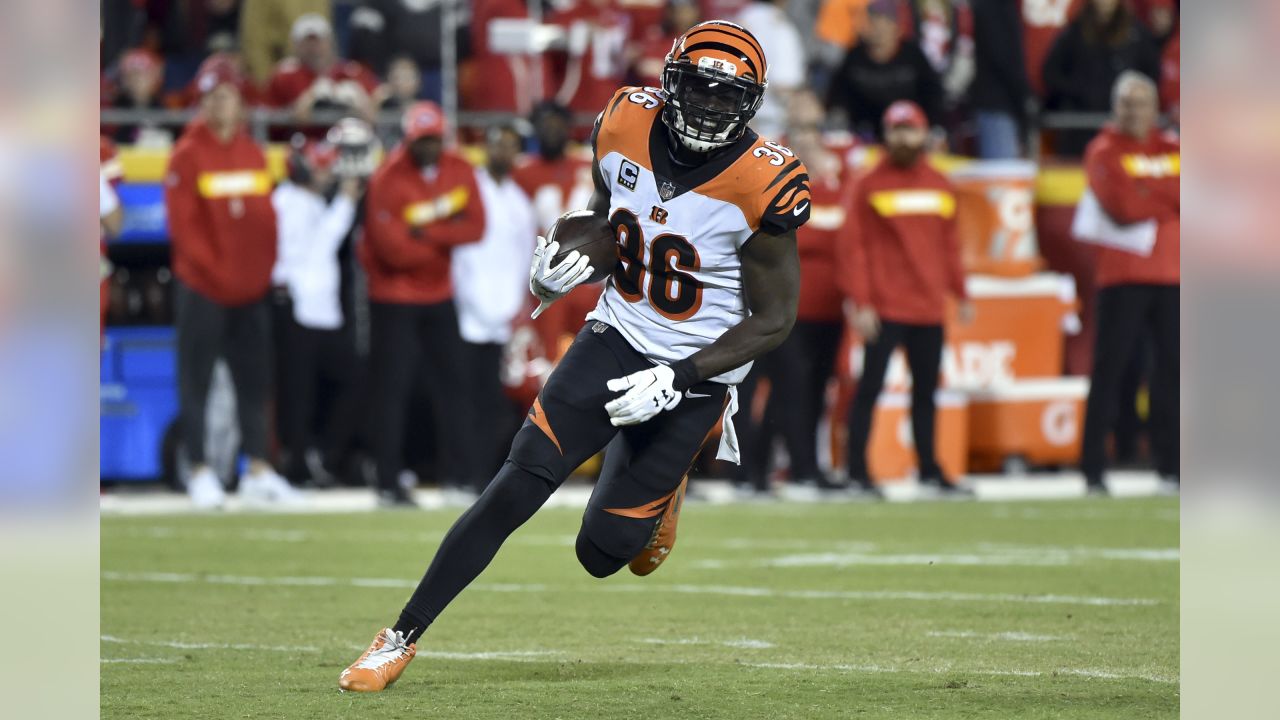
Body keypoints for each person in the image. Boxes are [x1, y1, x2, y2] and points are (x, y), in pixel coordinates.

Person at [338, 20, 809, 691]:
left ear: (751, 102)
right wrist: (566, 263)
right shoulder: (622, 122)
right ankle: (399, 636)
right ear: (670, 83)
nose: (706, 107)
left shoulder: (765, 181)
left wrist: (678, 377)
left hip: (695, 372)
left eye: (722, 96)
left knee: (604, 554)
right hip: (615, 336)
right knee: (518, 482)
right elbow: (608, 223)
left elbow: (776, 318)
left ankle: (671, 472)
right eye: (697, 89)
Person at [163, 55, 300, 509]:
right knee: (196, 381)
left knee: (255, 382)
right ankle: (200, 470)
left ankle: (258, 468)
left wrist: (257, 275)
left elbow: (265, 223)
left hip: (249, 292)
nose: (224, 104)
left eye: (230, 96)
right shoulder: (187, 154)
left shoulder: (252, 151)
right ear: (203, 102)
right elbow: (186, 233)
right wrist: (223, 277)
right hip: (204, 290)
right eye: (215, 96)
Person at [837, 100, 972, 497]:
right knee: (870, 391)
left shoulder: (940, 183)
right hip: (885, 307)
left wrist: (960, 291)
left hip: (929, 306)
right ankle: (857, 472)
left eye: (908, 129)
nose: (902, 138)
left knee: (927, 393)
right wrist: (861, 303)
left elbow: (950, 244)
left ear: (923, 132)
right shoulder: (867, 183)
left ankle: (929, 469)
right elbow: (853, 248)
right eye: (895, 130)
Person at [359, 101, 486, 507]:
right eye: (421, 140)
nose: (429, 148)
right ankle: (387, 482)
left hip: (439, 294)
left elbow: (477, 226)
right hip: (393, 297)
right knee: (391, 391)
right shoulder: (386, 178)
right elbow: (393, 251)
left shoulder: (459, 168)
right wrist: (443, 235)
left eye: (433, 139)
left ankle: (460, 478)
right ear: (409, 140)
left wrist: (424, 234)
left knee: (456, 387)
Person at [1077, 71, 1178, 494]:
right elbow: (1122, 207)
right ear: (1114, 107)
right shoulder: (1102, 150)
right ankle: (1094, 467)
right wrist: (1168, 199)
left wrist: (1146, 192)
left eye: (1142, 102)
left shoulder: (1174, 147)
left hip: (1173, 274)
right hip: (1122, 277)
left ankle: (1171, 464)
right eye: (1127, 103)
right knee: (1111, 371)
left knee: (1172, 374)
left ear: (1156, 107)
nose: (1135, 111)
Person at [270, 134, 363, 485]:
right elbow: (317, 249)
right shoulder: (288, 201)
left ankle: (321, 454)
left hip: (319, 312)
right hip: (297, 309)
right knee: (298, 395)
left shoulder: (308, 201)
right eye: (320, 166)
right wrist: (345, 202)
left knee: (347, 381)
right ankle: (296, 466)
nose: (326, 173)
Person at [451, 124, 539, 480]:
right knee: (460, 399)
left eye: (511, 146)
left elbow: (523, 260)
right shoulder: (467, 190)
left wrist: (517, 307)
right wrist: (465, 299)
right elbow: (459, 251)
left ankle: (479, 475)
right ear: (486, 147)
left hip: (502, 318)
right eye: (498, 143)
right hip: (465, 312)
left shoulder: (519, 202)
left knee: (492, 401)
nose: (503, 152)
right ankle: (457, 473)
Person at [1041, 0, 1160, 155]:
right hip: (1079, 126)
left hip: (1126, 130)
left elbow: (1152, 73)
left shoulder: (1136, 33)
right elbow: (1051, 73)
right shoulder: (1075, 31)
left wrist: (1133, 99)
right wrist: (1080, 92)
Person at [826, 0, 944, 142]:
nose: (877, 28)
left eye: (884, 22)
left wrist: (932, 128)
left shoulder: (913, 55)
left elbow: (933, 95)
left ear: (896, 27)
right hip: (864, 136)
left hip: (908, 136)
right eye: (872, 22)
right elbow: (837, 96)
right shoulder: (854, 57)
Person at [265, 14, 379, 127]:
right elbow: (275, 118)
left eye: (319, 42)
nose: (314, 49)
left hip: (350, 137)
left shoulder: (353, 71)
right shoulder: (285, 75)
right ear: (295, 46)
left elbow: (378, 107)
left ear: (331, 42)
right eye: (307, 43)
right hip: (301, 140)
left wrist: (361, 99)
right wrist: (312, 96)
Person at [970, 0, 1033, 159]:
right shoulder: (993, 6)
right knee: (1002, 177)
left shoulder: (1006, 5)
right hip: (997, 105)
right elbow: (1004, 57)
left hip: (1002, 104)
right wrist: (1024, 95)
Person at [735, 0, 807, 139]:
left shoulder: (739, 20)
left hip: (735, 117)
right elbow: (785, 84)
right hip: (771, 125)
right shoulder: (781, 27)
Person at [238, 0, 331, 85]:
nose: (312, 47)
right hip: (278, 72)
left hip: (318, 77)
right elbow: (255, 42)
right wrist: (266, 82)